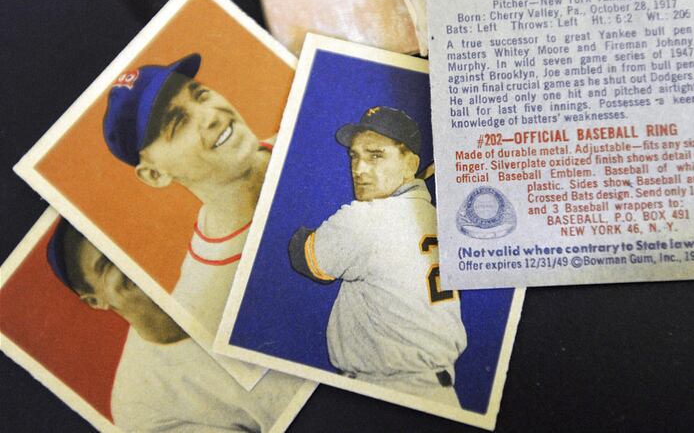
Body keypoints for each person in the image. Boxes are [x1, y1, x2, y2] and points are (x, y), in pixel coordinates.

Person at [47, 219, 310, 432]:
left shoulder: (218, 259)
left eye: (120, 244)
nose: (125, 259)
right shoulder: (137, 401)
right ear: (95, 300)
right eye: (106, 264)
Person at [288, 106, 467, 407]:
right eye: (354, 156)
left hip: (389, 392)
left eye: (376, 155)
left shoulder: (367, 218)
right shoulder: (440, 217)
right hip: (441, 394)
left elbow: (304, 257)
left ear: (411, 163)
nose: (359, 169)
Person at [103, 54, 272, 332]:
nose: (211, 117)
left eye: (201, 95)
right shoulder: (210, 299)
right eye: (178, 123)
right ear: (155, 174)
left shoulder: (311, 129)